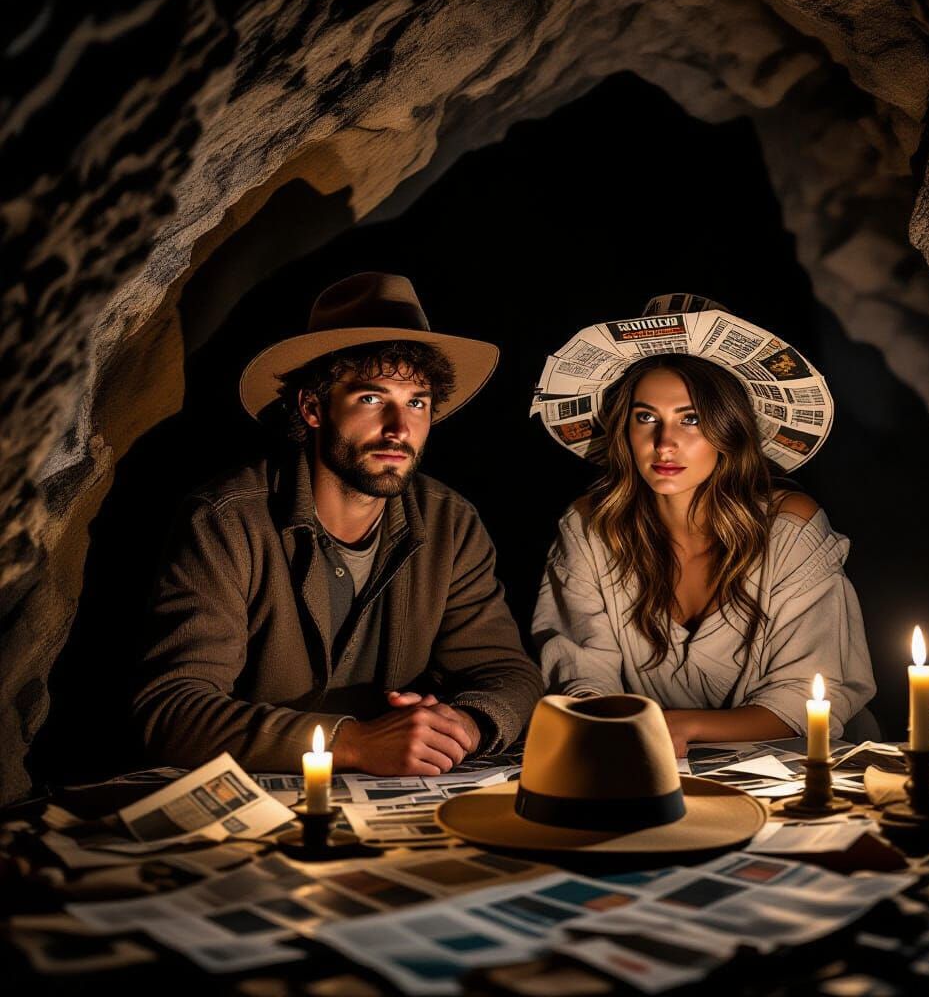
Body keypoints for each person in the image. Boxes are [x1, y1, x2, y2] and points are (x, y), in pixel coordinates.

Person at [134, 272, 542, 775]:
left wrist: (465, 724)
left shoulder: (450, 522)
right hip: (256, 798)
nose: (400, 428)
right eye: (372, 399)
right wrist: (350, 742)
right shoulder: (227, 520)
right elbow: (172, 711)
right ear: (312, 407)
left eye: (417, 403)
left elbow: (508, 671)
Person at [532, 295, 876, 756]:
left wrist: (675, 727)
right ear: (624, 431)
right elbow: (581, 674)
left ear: (728, 430)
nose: (664, 442)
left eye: (690, 419)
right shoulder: (590, 529)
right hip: (643, 761)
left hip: (805, 765)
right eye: (646, 417)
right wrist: (612, 727)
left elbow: (808, 697)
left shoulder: (790, 527)